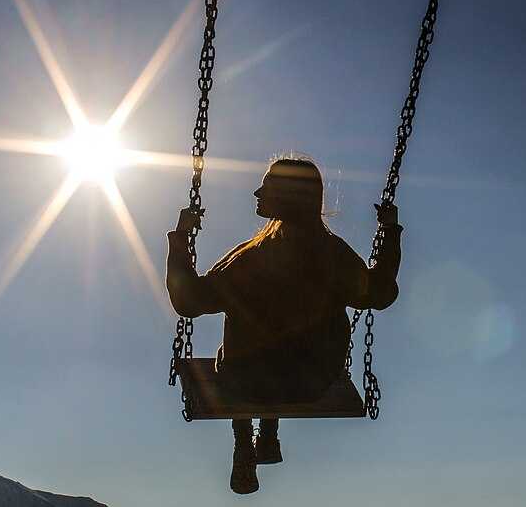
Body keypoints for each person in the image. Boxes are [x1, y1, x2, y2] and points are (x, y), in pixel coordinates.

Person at [166, 156, 402, 494]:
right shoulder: (332, 254)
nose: (258, 191)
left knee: (239, 356)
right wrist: (390, 233)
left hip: (247, 383)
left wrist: (181, 238)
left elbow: (190, 301)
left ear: (290, 195)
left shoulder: (251, 258)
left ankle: (244, 440)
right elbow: (379, 293)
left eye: (269, 185)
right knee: (278, 345)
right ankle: (269, 437)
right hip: (312, 381)